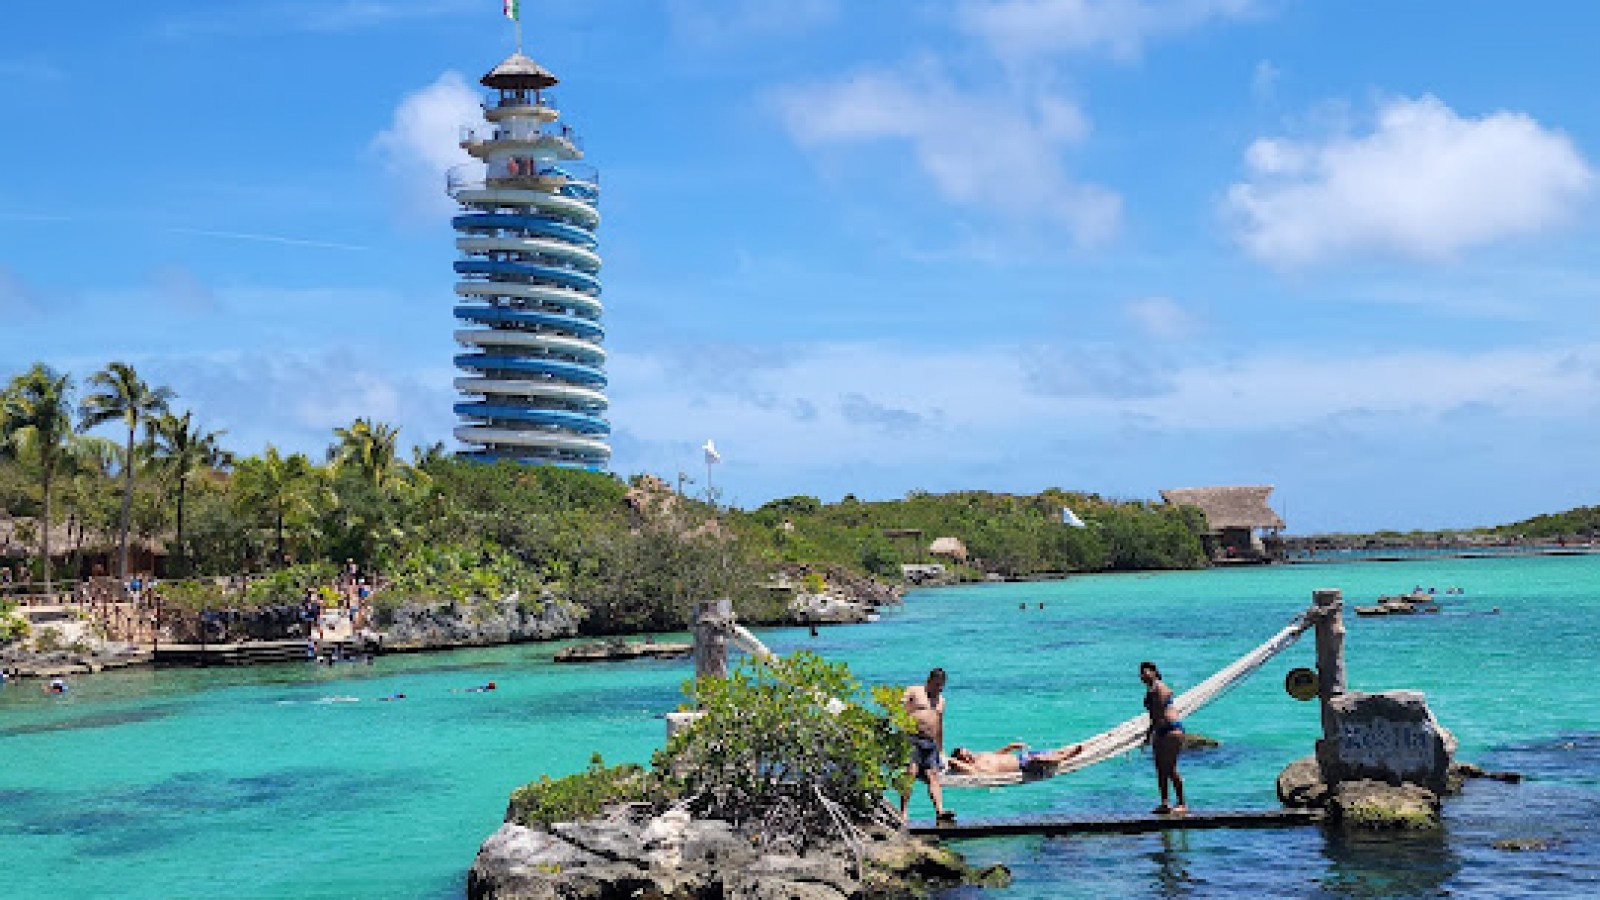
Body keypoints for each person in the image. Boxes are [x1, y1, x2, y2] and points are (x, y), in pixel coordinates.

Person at [899, 668, 954, 822]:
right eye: (937, 685)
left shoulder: (941, 701)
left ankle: (940, 810)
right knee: (911, 773)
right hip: (912, 739)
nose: (939, 688)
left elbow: (939, 726)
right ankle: (903, 812)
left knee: (933, 776)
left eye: (942, 686)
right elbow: (899, 705)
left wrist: (941, 750)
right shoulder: (915, 691)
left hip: (930, 743)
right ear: (929, 681)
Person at [1141, 661, 1187, 815]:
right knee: (1160, 768)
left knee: (1170, 768)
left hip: (1171, 729)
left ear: (1154, 672)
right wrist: (1150, 735)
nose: (1143, 675)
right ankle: (1165, 803)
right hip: (1160, 730)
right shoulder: (1151, 689)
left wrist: (1149, 734)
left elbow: (1158, 713)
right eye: (1141, 673)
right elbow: (1153, 716)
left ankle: (1182, 803)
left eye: (1146, 671)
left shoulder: (1160, 688)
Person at [947, 741, 1083, 777]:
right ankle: (1067, 757)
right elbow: (950, 761)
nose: (969, 754)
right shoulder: (975, 769)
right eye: (965, 756)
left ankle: (1065, 753)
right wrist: (944, 757)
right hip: (1023, 765)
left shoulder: (981, 756)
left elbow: (997, 755)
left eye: (967, 751)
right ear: (962, 761)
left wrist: (1010, 747)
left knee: (1054, 752)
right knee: (1039, 759)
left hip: (1021, 757)